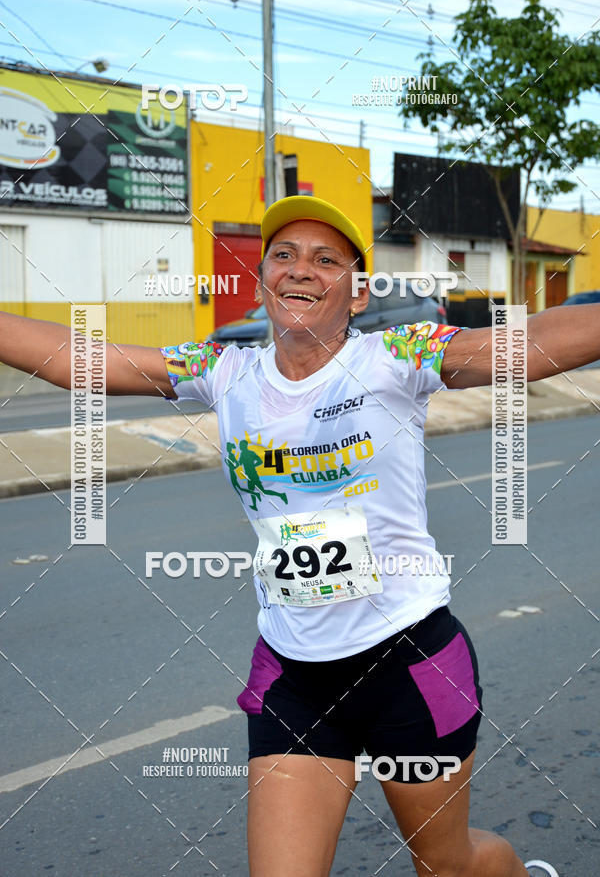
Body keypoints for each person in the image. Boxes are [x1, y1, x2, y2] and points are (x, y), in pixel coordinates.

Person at [0, 195, 594, 877]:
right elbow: (80, 359)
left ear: (357, 290)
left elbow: (522, 345)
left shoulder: (396, 357)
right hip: (296, 679)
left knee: (447, 864)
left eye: (324, 259)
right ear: (263, 282)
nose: (300, 269)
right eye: (282, 255)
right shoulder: (226, 372)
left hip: (411, 665)